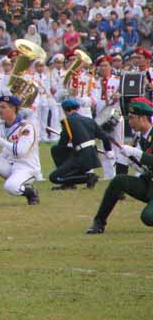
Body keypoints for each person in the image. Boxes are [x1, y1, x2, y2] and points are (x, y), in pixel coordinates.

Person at [87, 97, 153, 234]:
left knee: (147, 217)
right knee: (118, 181)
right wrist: (132, 162)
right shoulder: (139, 137)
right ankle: (99, 222)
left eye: (132, 118)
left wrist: (136, 153)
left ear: (142, 118)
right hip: (149, 182)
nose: (129, 122)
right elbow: (144, 165)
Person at [0, 95, 41, 207]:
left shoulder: (26, 127)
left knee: (10, 187)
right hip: (12, 164)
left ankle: (31, 193)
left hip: (27, 167)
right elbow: (7, 151)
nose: (0, 110)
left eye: (4, 107)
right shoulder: (5, 126)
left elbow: (20, 151)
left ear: (13, 109)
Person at [48, 98, 104, 190]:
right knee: (56, 149)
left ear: (65, 110)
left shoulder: (68, 121)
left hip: (81, 156)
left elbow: (62, 145)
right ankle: (73, 181)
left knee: (54, 177)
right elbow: (104, 136)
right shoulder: (89, 120)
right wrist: (109, 151)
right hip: (93, 155)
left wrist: (68, 139)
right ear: (77, 109)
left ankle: (87, 178)